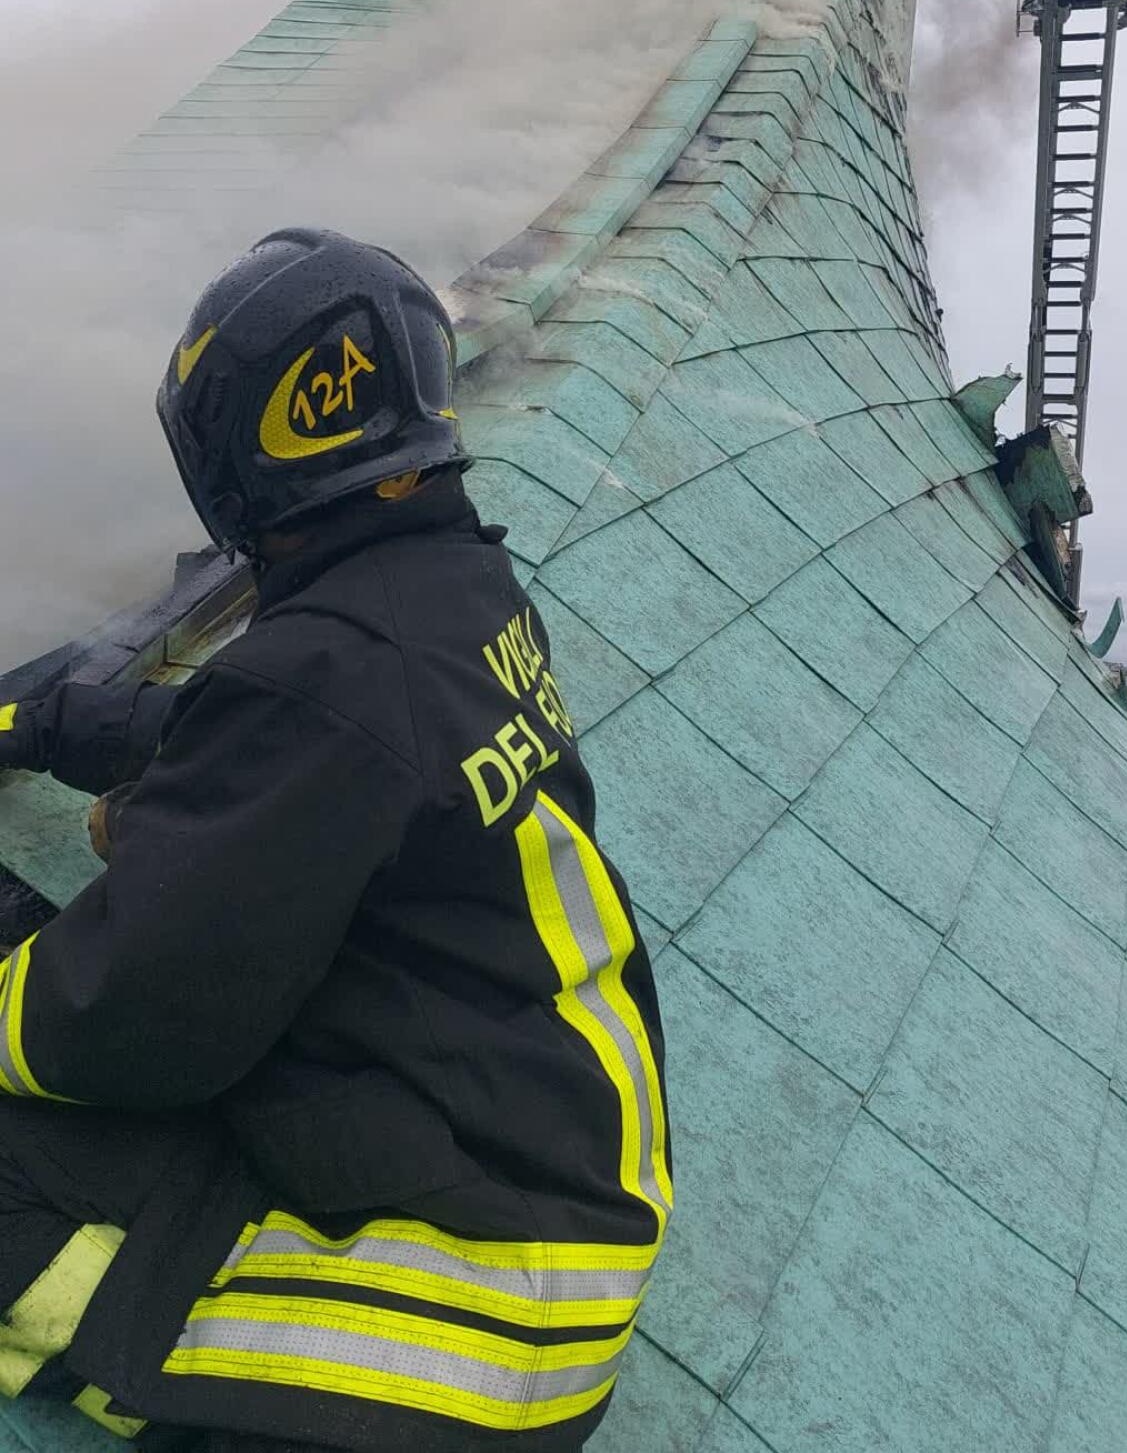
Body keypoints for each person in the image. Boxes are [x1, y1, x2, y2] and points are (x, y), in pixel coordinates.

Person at [0, 228, 671, 1453]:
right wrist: (58, 724)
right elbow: (288, 744)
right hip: (553, 1201)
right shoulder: (452, 591)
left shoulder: (328, 679)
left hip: (454, 1334)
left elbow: (116, 1027)